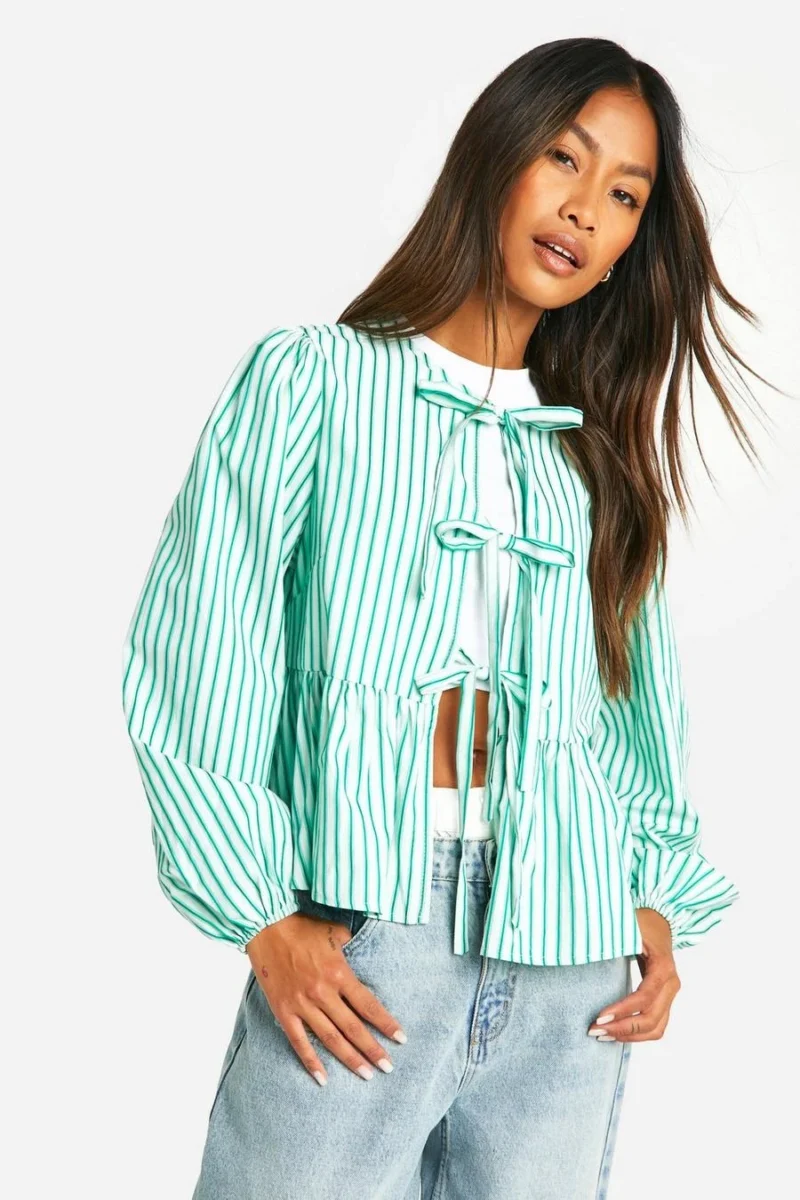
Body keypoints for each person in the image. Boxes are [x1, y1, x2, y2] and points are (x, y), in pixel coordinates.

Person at [121, 35, 771, 1200]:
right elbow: (202, 647)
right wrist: (262, 914)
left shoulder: (592, 455)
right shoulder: (314, 380)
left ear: (629, 247)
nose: (583, 208)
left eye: (624, 195)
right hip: (370, 930)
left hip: (571, 954)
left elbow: (633, 711)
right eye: (563, 159)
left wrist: (649, 898)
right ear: (493, 156)